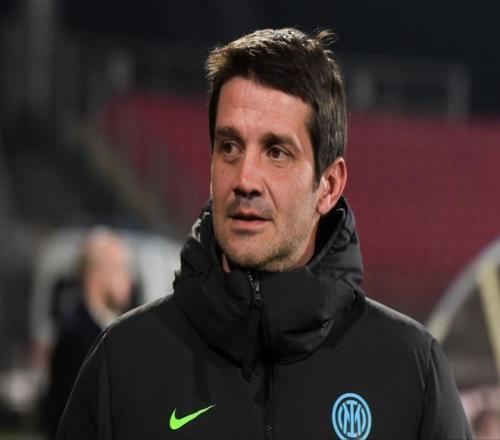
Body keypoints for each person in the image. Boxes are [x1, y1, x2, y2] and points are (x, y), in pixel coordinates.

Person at [58, 28, 472, 439]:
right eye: (230, 147)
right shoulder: (122, 363)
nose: (245, 180)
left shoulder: (411, 371)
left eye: (276, 152)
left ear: (329, 186)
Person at [47, 227, 133, 438]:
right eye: (121, 268)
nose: (129, 279)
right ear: (97, 275)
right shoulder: (74, 340)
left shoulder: (122, 331)